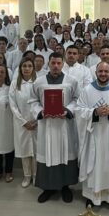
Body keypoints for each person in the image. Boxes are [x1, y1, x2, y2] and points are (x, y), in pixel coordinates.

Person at [75, 62, 109, 207]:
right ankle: (91, 196)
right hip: (93, 135)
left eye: (106, 71)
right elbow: (79, 111)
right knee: (93, 165)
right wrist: (94, 112)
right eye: (100, 71)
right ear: (96, 73)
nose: (103, 74)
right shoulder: (87, 90)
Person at [30, 52, 80, 203]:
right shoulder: (39, 82)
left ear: (63, 64)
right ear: (48, 64)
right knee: (48, 154)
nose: (56, 66)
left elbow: (78, 99)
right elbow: (33, 101)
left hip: (64, 125)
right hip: (47, 125)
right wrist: (41, 112)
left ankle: (65, 187)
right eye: (53, 63)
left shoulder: (72, 81)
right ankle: (48, 188)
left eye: (59, 63)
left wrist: (68, 110)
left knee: (65, 153)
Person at [9, 58, 38, 188]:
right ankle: (27, 175)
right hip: (21, 124)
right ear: (20, 68)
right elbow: (13, 105)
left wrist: (36, 121)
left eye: (29, 66)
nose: (27, 68)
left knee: (36, 150)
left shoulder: (38, 83)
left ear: (33, 68)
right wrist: (23, 122)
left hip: (36, 123)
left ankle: (36, 175)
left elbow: (42, 102)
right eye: (24, 66)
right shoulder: (15, 84)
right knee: (24, 150)